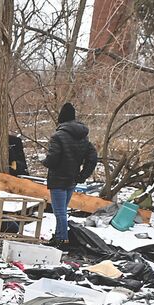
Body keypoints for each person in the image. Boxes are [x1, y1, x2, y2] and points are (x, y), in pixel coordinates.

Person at [42, 102, 97, 246]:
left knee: (59, 212)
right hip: (72, 180)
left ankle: (63, 240)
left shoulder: (58, 137)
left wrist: (45, 162)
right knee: (62, 211)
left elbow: (53, 159)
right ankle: (58, 237)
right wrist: (82, 176)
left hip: (58, 180)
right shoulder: (83, 137)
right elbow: (92, 158)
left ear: (61, 119)